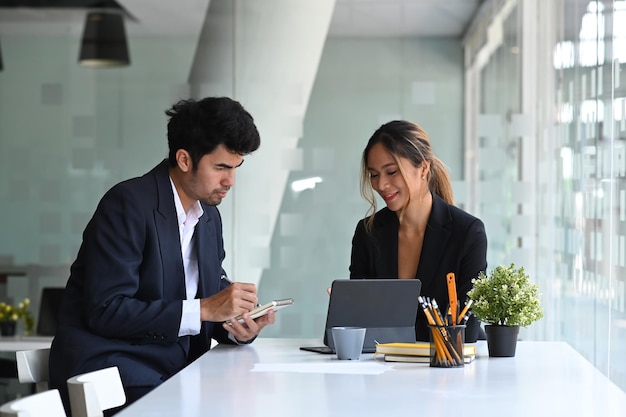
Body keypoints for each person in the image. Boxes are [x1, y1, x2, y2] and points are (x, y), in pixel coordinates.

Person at [49, 96, 275, 414]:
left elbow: (202, 312)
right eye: (221, 167)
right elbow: (107, 310)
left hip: (171, 373)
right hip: (113, 373)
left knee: (255, 401)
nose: (230, 181)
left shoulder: (208, 217)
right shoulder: (127, 204)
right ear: (184, 160)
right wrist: (205, 310)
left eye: (236, 168)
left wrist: (237, 326)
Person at [349, 120, 487, 342]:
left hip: (448, 367)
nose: (381, 184)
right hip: (385, 369)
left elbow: (467, 328)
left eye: (391, 172)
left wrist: (392, 331)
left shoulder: (468, 232)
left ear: (423, 168)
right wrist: (347, 309)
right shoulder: (369, 232)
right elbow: (360, 328)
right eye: (374, 174)